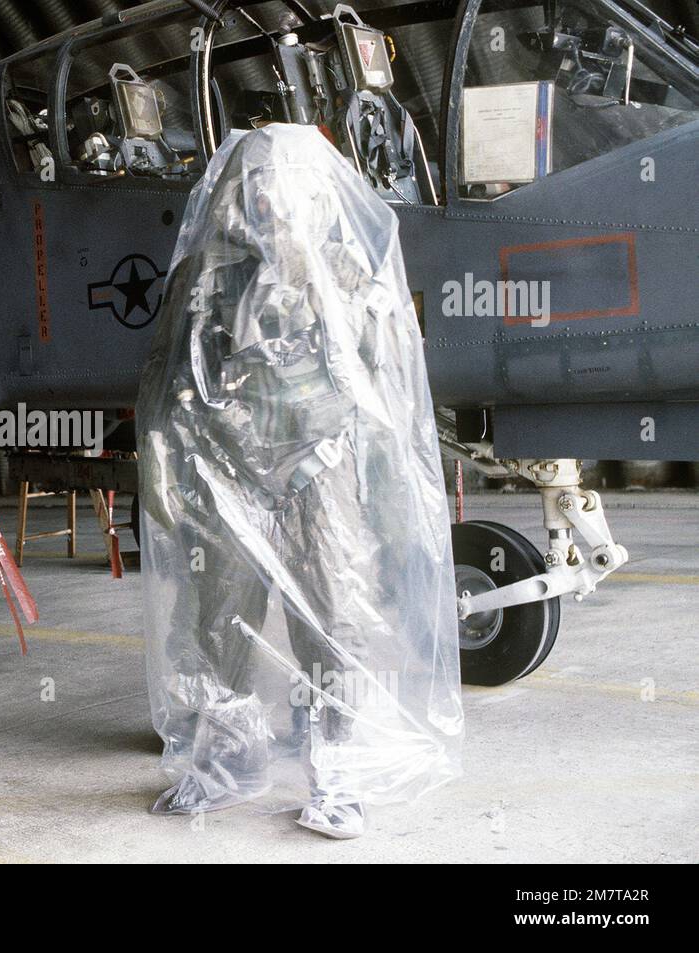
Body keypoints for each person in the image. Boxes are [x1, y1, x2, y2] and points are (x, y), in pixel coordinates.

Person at [138, 126, 463, 839]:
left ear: (314, 193)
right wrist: (162, 470)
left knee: (336, 623)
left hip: (324, 471)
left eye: (283, 185)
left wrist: (387, 494)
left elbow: (389, 397)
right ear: (235, 191)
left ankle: (339, 771)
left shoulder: (349, 273)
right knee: (218, 620)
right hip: (228, 472)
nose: (269, 199)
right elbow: (165, 386)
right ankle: (224, 759)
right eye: (256, 184)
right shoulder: (204, 276)